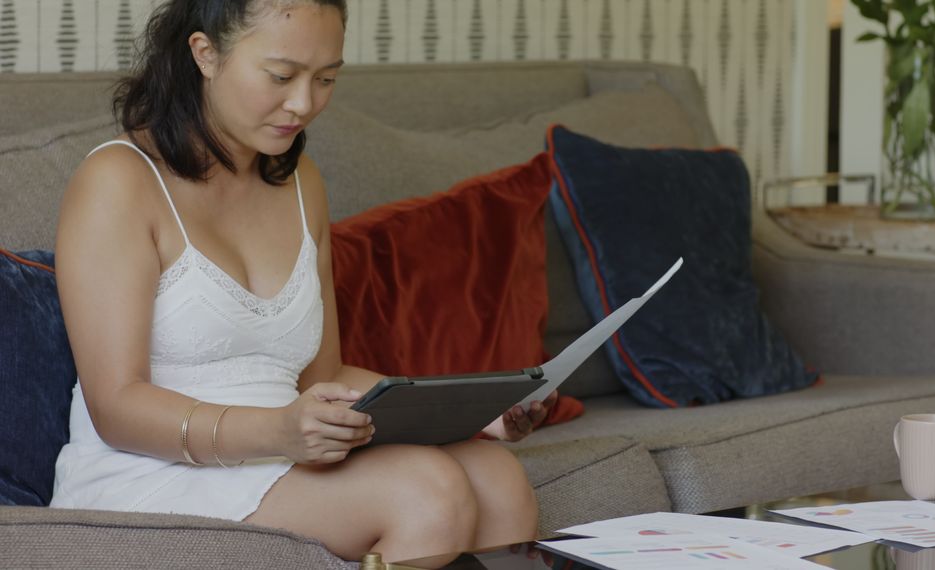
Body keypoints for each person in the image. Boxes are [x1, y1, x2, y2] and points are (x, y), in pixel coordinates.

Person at [49, 1, 556, 566]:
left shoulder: (299, 181)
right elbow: (116, 406)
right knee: (425, 491)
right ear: (205, 54)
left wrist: (478, 412)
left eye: (326, 78)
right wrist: (278, 432)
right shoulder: (117, 182)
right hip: (151, 471)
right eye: (282, 76)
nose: (304, 104)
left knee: (498, 477)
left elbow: (326, 376)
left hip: (283, 450)